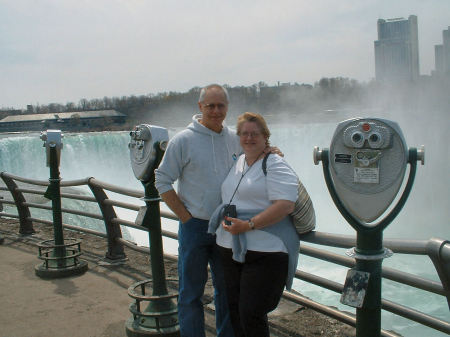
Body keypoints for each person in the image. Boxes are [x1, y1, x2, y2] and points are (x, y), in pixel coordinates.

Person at [155, 84, 239, 337]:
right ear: (200, 107)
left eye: (220, 105)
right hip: (195, 226)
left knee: (227, 292)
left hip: (227, 227)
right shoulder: (183, 140)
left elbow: (256, 156)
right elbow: (162, 180)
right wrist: (185, 218)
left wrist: (273, 151)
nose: (215, 111)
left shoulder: (235, 138)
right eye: (210, 105)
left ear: (227, 107)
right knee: (190, 293)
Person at [208, 112, 300, 337]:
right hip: (231, 248)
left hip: (266, 252)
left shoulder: (275, 163)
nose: (249, 138)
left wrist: (248, 225)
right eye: (244, 134)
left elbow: (286, 205)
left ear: (265, 137)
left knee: (251, 313)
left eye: (255, 134)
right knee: (235, 311)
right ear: (238, 137)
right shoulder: (239, 160)